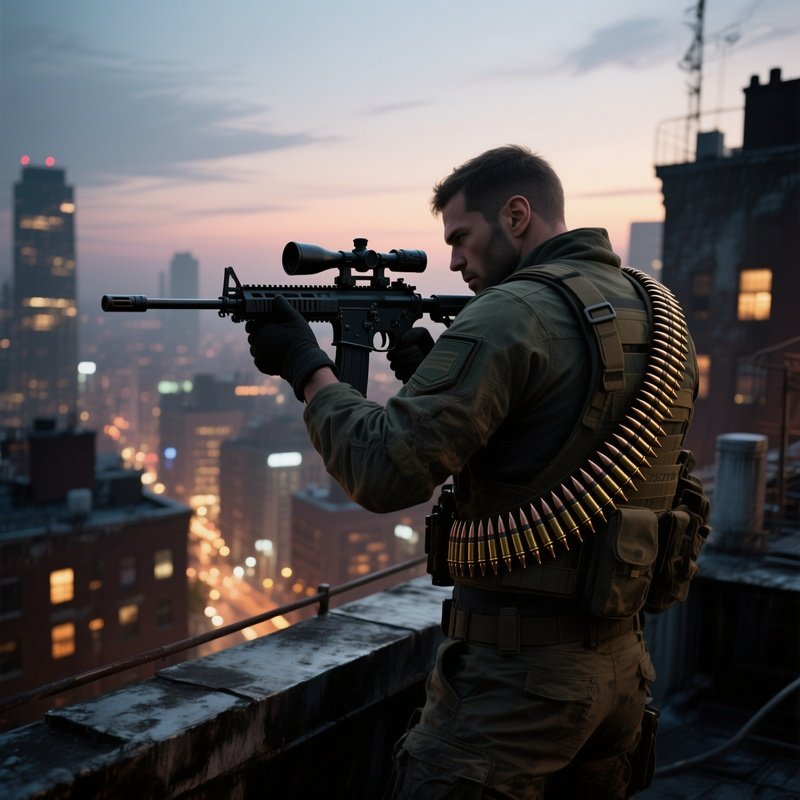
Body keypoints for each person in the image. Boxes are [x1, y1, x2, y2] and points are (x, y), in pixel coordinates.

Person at [246, 145, 705, 799]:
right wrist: (425, 368)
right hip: (623, 674)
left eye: (461, 238)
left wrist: (307, 368)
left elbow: (383, 471)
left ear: (516, 215)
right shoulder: (656, 310)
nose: (455, 261)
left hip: (512, 692)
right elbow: (555, 438)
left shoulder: (510, 311)